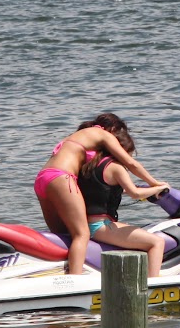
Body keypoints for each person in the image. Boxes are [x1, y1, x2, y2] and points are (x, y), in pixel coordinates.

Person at [35, 113, 167, 275]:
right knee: (81, 234)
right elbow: (131, 163)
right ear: (113, 129)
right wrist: (155, 184)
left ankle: (55, 273)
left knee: (63, 235)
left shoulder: (82, 137)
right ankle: (74, 281)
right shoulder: (103, 134)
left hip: (43, 178)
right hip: (61, 177)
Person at [79, 145, 170, 277]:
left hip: (88, 224)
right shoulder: (116, 167)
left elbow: (110, 190)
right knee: (157, 242)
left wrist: (144, 190)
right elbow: (135, 193)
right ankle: (152, 285)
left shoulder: (92, 165)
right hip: (99, 226)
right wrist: (158, 188)